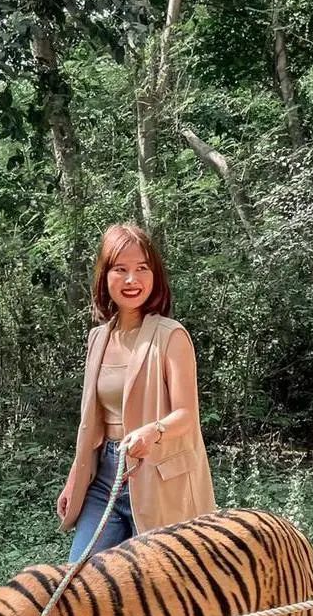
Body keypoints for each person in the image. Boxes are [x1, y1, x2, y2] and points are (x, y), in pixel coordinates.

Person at [57, 223, 216, 563]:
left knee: (164, 593)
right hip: (105, 481)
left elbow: (187, 415)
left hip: (159, 479)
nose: (133, 280)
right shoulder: (98, 339)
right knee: (79, 580)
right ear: (105, 277)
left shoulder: (171, 336)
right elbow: (92, 424)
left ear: (155, 275)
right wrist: (75, 479)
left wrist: (154, 430)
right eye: (121, 270)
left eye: (142, 269)